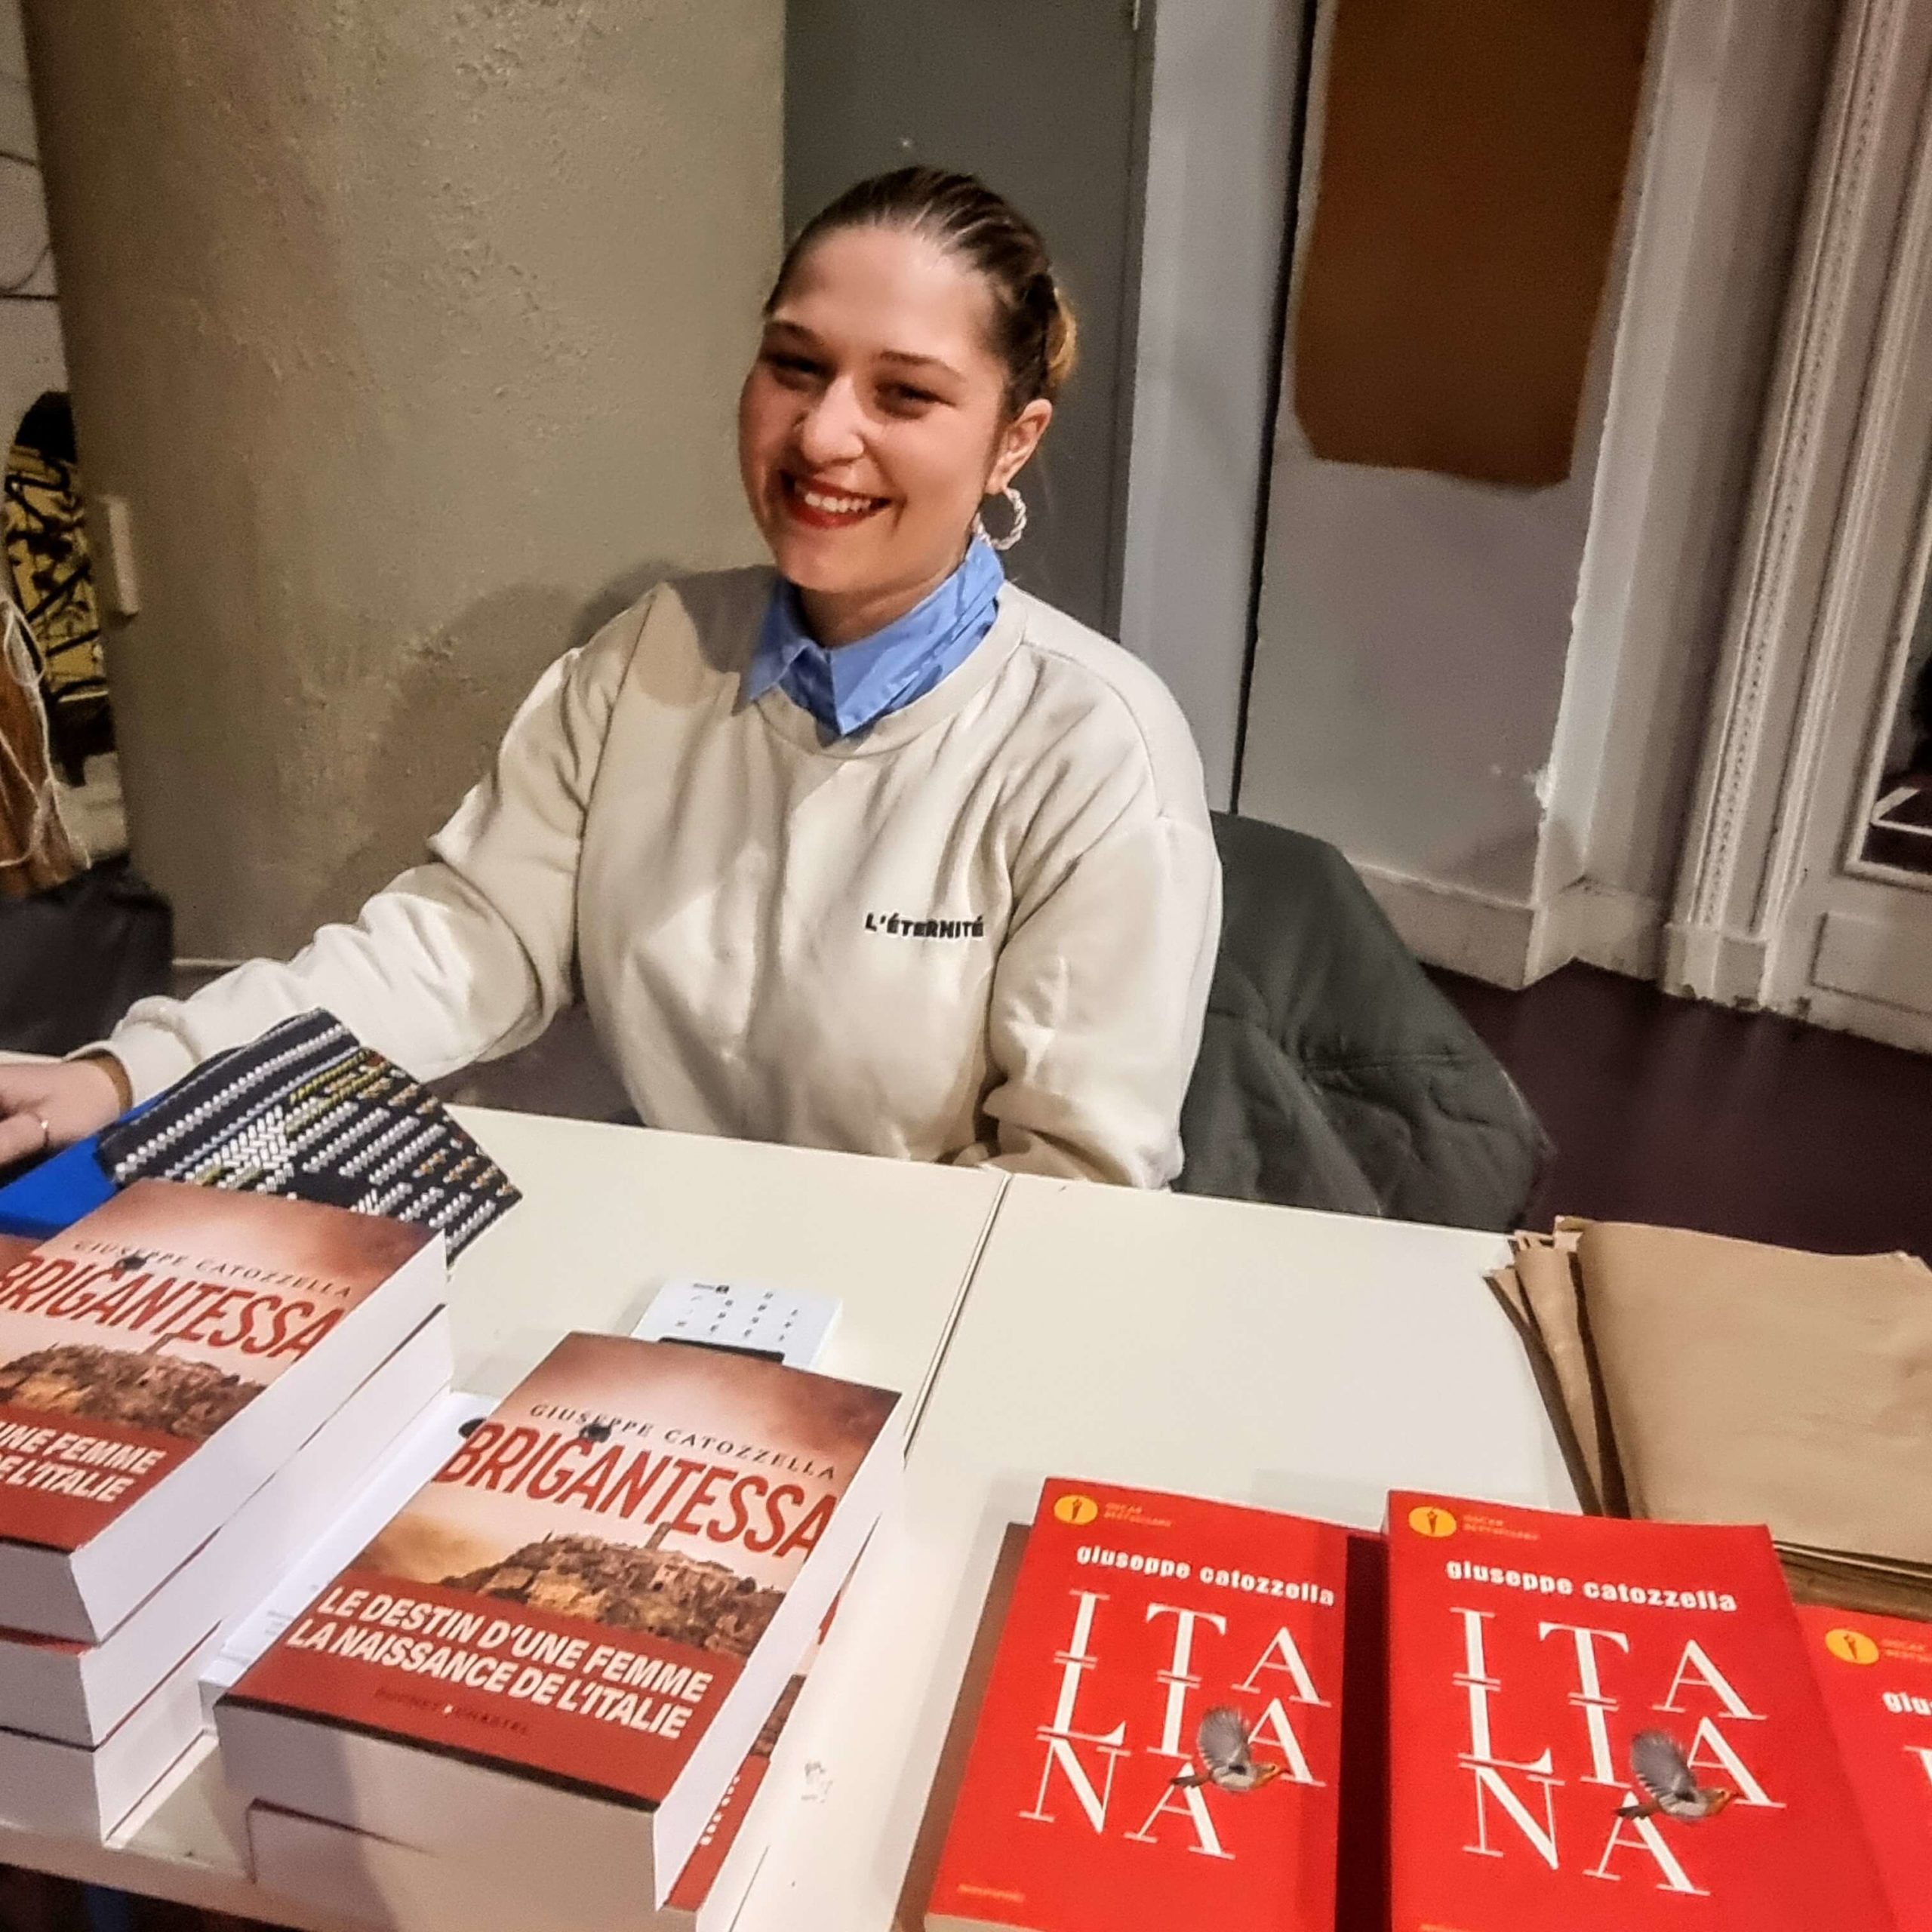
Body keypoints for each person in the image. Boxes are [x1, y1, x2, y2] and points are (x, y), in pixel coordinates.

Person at [0, 168, 1220, 1186]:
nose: (822, 434)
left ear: (1015, 437)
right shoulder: (651, 653)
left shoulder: (1092, 745)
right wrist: (132, 1072)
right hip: (671, 1294)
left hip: (932, 1328)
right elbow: (458, 950)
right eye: (795, 366)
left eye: (905, 393)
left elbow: (1076, 1190)